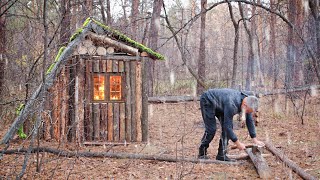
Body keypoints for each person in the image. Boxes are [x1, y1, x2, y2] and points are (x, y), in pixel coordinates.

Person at [198, 88, 265, 161]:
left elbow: (249, 120)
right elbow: (228, 127)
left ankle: (221, 155)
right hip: (208, 100)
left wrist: (255, 140)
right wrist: (238, 143)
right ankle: (202, 153)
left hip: (221, 104)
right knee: (211, 129)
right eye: (248, 111)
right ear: (245, 105)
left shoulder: (247, 101)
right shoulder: (232, 104)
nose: (248, 113)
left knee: (227, 131)